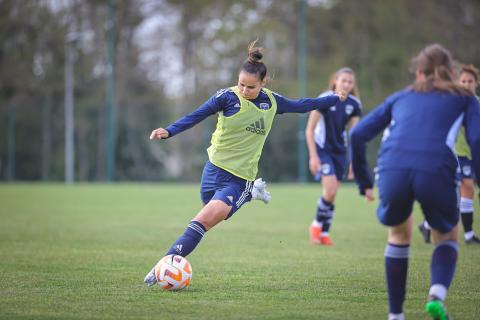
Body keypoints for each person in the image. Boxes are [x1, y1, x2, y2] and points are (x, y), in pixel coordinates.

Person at [144, 40, 347, 286]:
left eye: (251, 86)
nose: (244, 89)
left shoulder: (272, 102)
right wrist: (169, 130)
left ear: (263, 84)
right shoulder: (226, 98)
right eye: (241, 83)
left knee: (203, 220)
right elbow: (196, 115)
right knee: (207, 205)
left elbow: (303, 105)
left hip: (239, 178)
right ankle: (252, 194)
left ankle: (162, 267)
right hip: (214, 169)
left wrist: (333, 99)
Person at [350, 44, 480, 320]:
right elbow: (478, 139)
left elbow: (358, 134)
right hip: (436, 168)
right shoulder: (465, 98)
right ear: (451, 72)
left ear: (418, 72)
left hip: (391, 168)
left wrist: (364, 181)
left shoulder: (400, 97)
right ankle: (436, 295)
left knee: (398, 235)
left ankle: (395, 315)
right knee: (446, 236)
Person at [419, 64, 480, 244]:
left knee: (463, 194)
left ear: (476, 83)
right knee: (466, 187)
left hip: (474, 153)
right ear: (457, 82)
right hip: (457, 153)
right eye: (463, 81)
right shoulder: (453, 103)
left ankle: (428, 224)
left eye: (470, 81)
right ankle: (468, 235)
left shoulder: (477, 103)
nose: (467, 84)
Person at [306, 67, 362, 245]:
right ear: (335, 80)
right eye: (343, 80)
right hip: (323, 149)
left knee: (332, 193)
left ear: (353, 85)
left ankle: (324, 233)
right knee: (330, 190)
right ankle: (315, 226)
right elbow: (310, 130)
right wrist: (313, 156)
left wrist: (354, 161)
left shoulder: (354, 104)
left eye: (350, 82)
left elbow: (355, 136)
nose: (346, 84)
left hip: (340, 151)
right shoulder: (324, 99)